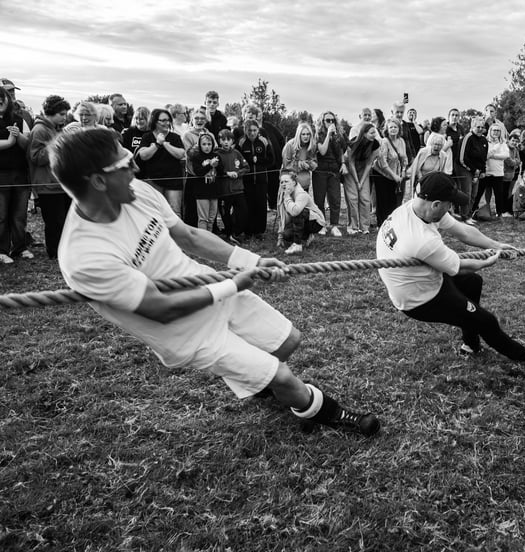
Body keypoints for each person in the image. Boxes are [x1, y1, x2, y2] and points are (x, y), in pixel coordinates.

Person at [51, 128, 380, 437]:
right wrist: (235, 284)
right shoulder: (85, 256)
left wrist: (250, 262)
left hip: (207, 285)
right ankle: (326, 412)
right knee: (282, 376)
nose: (135, 167)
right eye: (125, 163)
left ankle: (262, 380)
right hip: (182, 332)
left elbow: (188, 236)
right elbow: (162, 309)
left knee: (288, 342)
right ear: (98, 181)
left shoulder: (137, 192)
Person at [376, 172, 525, 365]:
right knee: (486, 321)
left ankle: (470, 345)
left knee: (472, 283)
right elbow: (459, 268)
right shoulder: (422, 241)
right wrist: (487, 262)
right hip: (419, 299)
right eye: (450, 204)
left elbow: (463, 231)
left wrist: (496, 245)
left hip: (423, 279)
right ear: (436, 204)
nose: (451, 208)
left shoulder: (415, 208)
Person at [27, 94, 71, 260]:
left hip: (59, 183)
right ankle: (54, 251)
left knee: (63, 219)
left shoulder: (57, 129)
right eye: (61, 114)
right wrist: (56, 145)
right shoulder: (39, 130)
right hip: (47, 184)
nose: (64, 117)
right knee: (54, 222)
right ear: (51, 112)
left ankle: (63, 250)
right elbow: (36, 157)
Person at [0, 86, 31, 263]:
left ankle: (20, 247)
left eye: (2, 97)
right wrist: (10, 141)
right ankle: (2, 250)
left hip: (20, 173)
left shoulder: (19, 120)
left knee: (19, 215)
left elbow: (28, 145)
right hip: (1, 174)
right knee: (1, 215)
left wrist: (18, 136)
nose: (0, 101)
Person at [137, 108, 186, 217]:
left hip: (174, 182)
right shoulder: (147, 137)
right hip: (153, 181)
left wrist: (165, 144)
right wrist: (157, 144)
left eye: (168, 120)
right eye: (163, 120)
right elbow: (143, 156)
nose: (167, 123)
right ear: (155, 121)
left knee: (174, 213)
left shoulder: (175, 137)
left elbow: (181, 154)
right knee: (155, 212)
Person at [237, 119, 274, 240]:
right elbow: (237, 159)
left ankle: (259, 231)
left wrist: (259, 160)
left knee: (261, 205)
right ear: (245, 130)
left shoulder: (264, 141)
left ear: (258, 130)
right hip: (246, 180)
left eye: (254, 130)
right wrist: (248, 161)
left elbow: (271, 160)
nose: (252, 133)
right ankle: (248, 231)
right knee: (248, 205)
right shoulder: (241, 142)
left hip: (261, 180)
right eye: (249, 130)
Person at [342, 122, 379, 235]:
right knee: (353, 197)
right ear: (364, 133)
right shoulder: (353, 143)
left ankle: (364, 227)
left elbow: (369, 164)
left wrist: (362, 181)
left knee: (365, 198)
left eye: (375, 132)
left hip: (364, 169)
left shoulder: (375, 144)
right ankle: (353, 226)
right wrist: (357, 182)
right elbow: (351, 163)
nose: (374, 135)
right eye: (372, 133)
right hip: (351, 169)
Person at [313, 111, 345, 237]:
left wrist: (343, 163)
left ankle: (334, 225)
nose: (330, 122)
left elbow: (342, 151)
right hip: (320, 171)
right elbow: (322, 151)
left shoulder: (338, 135)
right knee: (319, 199)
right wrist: (328, 135)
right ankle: (322, 224)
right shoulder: (318, 135)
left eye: (333, 120)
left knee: (335, 199)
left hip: (334, 171)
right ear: (322, 122)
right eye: (328, 120)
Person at [277, 170, 325, 255]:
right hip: (303, 220)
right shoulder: (284, 194)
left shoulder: (301, 194)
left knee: (298, 211)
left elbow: (295, 212)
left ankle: (297, 244)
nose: (284, 184)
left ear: (294, 183)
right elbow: (282, 215)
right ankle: (306, 236)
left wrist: (287, 197)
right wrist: (280, 236)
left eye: (286, 181)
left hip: (316, 222)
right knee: (286, 234)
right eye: (282, 182)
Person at [215, 129, 249, 244]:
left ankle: (236, 233)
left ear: (232, 141)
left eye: (228, 139)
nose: (226, 142)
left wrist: (238, 173)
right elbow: (216, 170)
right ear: (219, 141)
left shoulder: (236, 153)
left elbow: (246, 167)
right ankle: (229, 233)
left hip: (238, 189)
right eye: (223, 139)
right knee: (225, 214)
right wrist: (226, 173)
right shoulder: (216, 154)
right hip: (224, 191)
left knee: (243, 212)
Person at [372, 118, 407, 227]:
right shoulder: (384, 142)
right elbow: (383, 162)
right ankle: (381, 224)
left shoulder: (401, 141)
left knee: (394, 200)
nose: (393, 129)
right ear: (387, 129)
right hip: (383, 175)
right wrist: (394, 176)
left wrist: (403, 171)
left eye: (395, 127)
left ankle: (391, 224)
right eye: (391, 127)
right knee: (383, 201)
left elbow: (404, 158)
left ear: (399, 129)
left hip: (396, 175)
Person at [187, 133, 220, 232]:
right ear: (200, 145)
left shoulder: (216, 155)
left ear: (213, 145)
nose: (207, 147)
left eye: (209, 144)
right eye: (204, 144)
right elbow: (198, 172)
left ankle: (210, 237)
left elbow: (221, 171)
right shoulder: (197, 157)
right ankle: (203, 238)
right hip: (201, 192)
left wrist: (218, 165)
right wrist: (210, 165)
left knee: (211, 218)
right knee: (203, 219)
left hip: (214, 191)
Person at [281, 122, 317, 191]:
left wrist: (309, 164)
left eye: (308, 134)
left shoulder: (311, 146)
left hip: (304, 183)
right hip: (290, 183)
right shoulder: (290, 145)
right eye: (303, 134)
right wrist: (299, 164)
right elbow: (286, 164)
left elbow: (314, 162)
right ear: (299, 134)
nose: (306, 136)